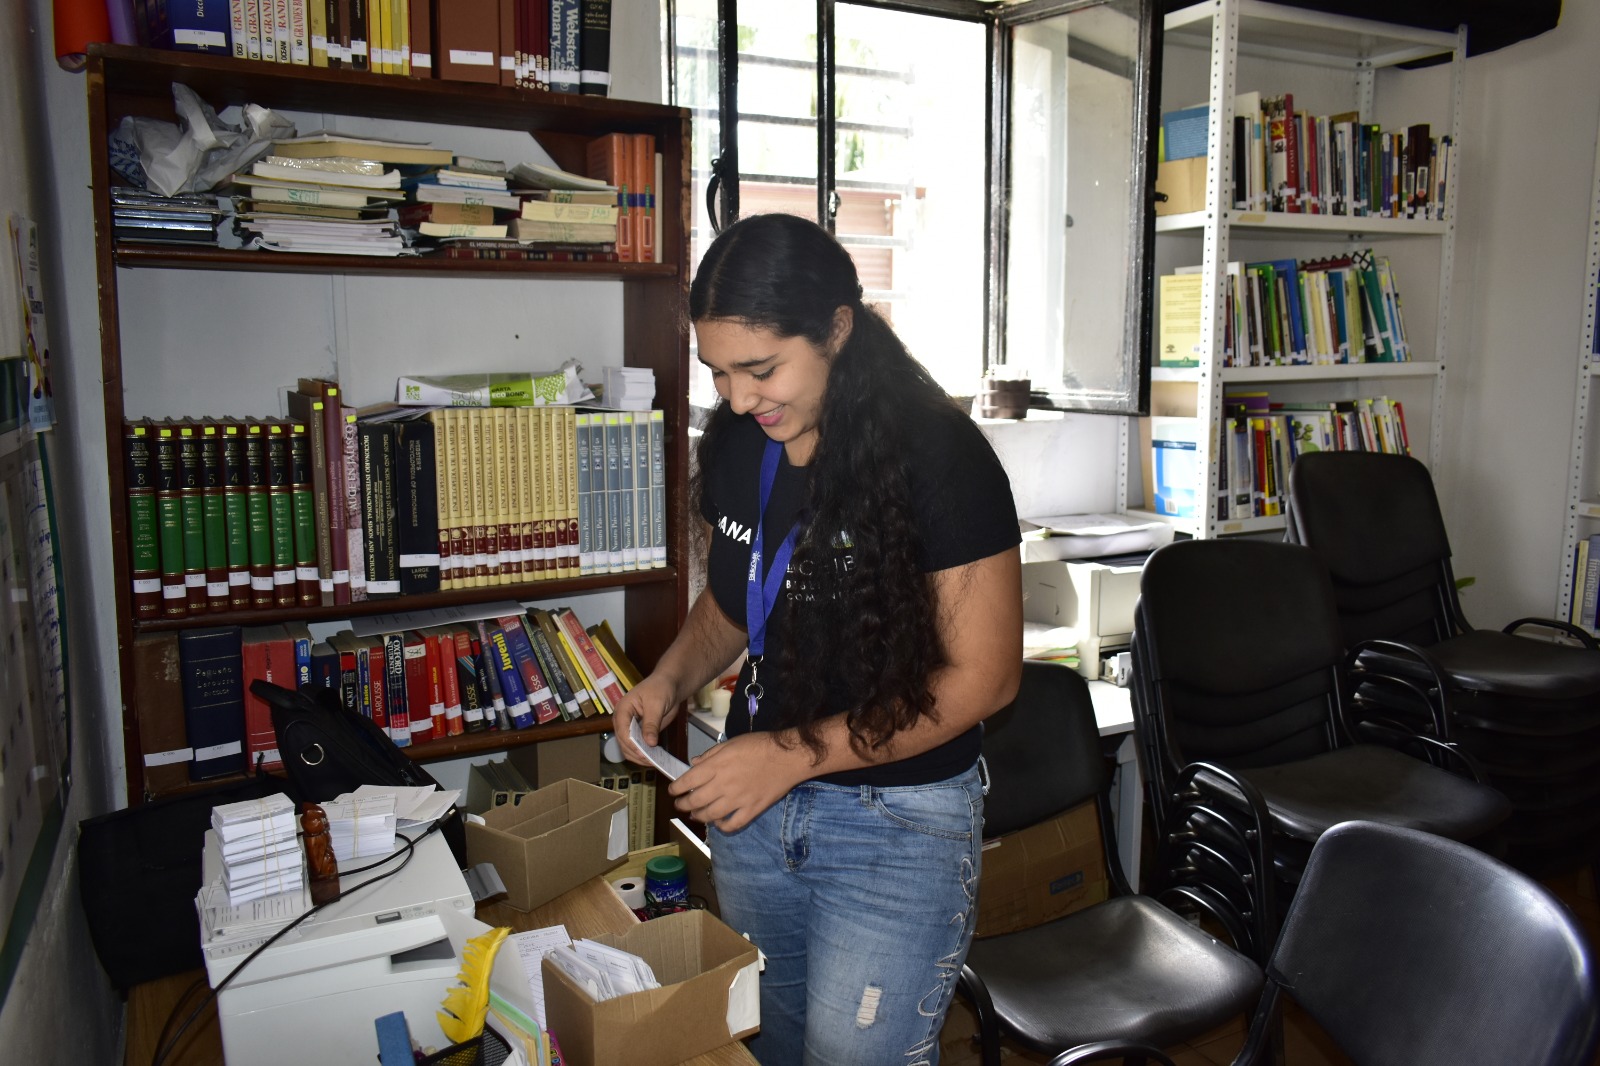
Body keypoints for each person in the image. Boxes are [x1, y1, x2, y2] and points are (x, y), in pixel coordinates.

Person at [616, 212, 1022, 1066]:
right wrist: (670, 680)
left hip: (897, 820)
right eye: (718, 372)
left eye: (761, 369)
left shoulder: (939, 453)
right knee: (775, 1045)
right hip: (757, 813)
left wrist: (795, 752)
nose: (736, 398)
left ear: (838, 327)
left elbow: (985, 679)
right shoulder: (738, 440)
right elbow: (738, 603)